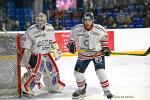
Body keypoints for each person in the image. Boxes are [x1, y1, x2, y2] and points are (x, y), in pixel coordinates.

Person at [67, 12, 113, 99]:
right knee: (77, 74)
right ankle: (82, 89)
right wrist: (71, 45)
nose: (87, 22)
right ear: (83, 20)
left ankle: (106, 91)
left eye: (89, 20)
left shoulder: (100, 29)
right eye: (85, 20)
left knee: (101, 72)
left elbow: (104, 39)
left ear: (92, 20)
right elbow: (71, 39)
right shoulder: (76, 29)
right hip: (83, 55)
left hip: (97, 54)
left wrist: (105, 48)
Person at [21, 12, 65, 96]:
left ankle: (52, 86)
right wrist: (25, 60)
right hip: (35, 56)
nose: (40, 22)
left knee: (52, 72)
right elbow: (26, 47)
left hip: (46, 55)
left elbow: (53, 41)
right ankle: (25, 88)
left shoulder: (50, 28)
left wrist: (57, 49)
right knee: (36, 74)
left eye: (42, 20)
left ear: (45, 20)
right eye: (38, 20)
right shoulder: (31, 30)